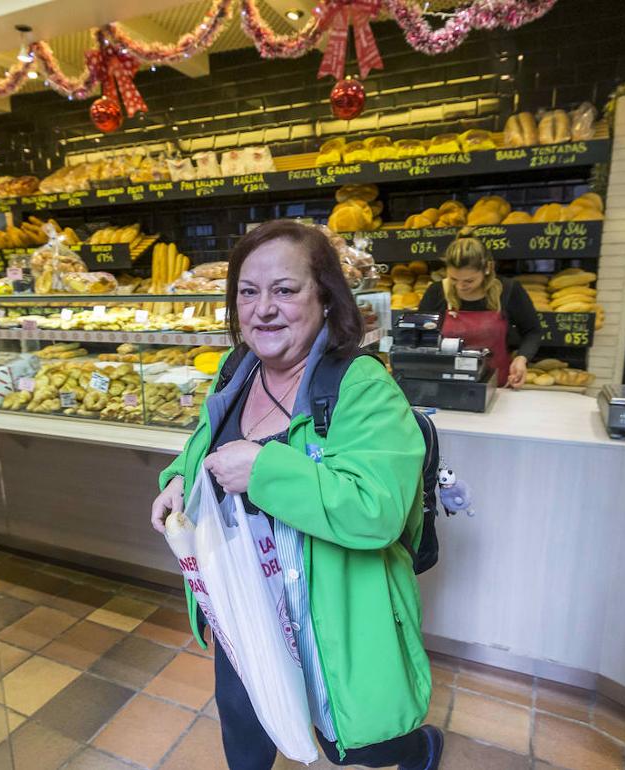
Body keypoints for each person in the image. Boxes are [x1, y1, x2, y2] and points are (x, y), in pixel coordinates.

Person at [151, 220, 441, 770]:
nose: (263, 309)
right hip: (243, 600)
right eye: (248, 291)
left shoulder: (360, 386)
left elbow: (375, 510)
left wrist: (263, 469)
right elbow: (200, 446)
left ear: (326, 299)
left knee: (354, 741)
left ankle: (418, 748)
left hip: (330, 608)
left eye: (284, 290)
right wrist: (176, 481)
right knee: (245, 723)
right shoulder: (237, 370)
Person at [417, 227, 541, 388]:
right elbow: (419, 336)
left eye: (469, 281)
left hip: (496, 385)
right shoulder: (436, 292)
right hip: (445, 384)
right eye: (454, 279)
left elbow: (532, 331)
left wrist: (521, 358)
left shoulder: (508, 290)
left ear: (488, 268)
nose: (460, 286)